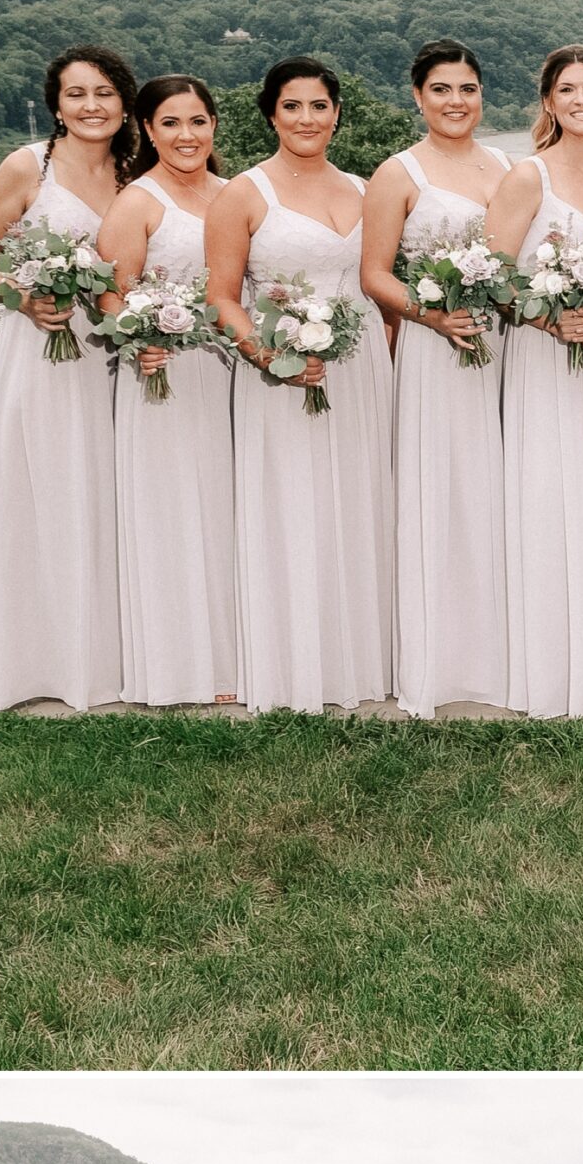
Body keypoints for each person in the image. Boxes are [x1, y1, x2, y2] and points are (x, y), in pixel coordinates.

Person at [206, 59, 394, 712]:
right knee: (294, 506)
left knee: (361, 498)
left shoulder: (366, 188)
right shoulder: (242, 194)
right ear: (270, 115)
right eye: (292, 107)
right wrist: (270, 356)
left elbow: (377, 284)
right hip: (281, 367)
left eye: (319, 106)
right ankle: (295, 662)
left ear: (337, 113)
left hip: (363, 362)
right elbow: (222, 298)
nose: (307, 119)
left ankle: (363, 656)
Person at [0, 46, 136, 711]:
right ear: (55, 104)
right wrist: (19, 292)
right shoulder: (27, 166)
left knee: (115, 495)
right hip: (45, 351)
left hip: (119, 353)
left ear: (125, 102)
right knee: (54, 494)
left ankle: (121, 657)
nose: (91, 107)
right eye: (75, 94)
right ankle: (47, 664)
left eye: (104, 93)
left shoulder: (137, 171)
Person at [360, 40, 513, 717]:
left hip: (505, 345)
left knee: (498, 493)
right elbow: (374, 274)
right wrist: (433, 317)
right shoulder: (397, 173)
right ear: (417, 97)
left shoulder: (511, 167)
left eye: (468, 89)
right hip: (435, 347)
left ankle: (504, 652)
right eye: (442, 89)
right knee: (442, 489)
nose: (457, 102)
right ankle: (440, 660)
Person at [486, 48, 583, 718]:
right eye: (566, 89)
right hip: (545, 363)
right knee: (554, 500)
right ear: (547, 102)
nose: (581, 99)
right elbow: (492, 277)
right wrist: (549, 323)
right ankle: (554, 665)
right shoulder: (527, 178)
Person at [98, 73, 237, 708]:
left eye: (198, 122)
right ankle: (180, 666)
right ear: (148, 131)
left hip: (234, 378)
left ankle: (238, 655)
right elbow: (111, 293)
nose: (187, 136)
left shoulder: (236, 194)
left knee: (230, 513)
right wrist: (138, 338)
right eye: (171, 124)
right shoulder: (137, 202)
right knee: (176, 514)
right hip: (167, 378)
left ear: (214, 126)